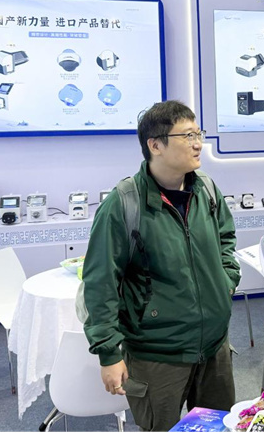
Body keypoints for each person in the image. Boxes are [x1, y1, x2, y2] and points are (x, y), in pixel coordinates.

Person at [81, 101, 240, 432]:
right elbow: (100, 283)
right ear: (155, 145)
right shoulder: (124, 203)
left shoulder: (207, 190)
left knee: (219, 427)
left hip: (214, 347)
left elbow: (226, 239)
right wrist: (109, 354)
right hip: (157, 353)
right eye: (188, 135)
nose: (198, 143)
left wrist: (225, 283)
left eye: (199, 134)